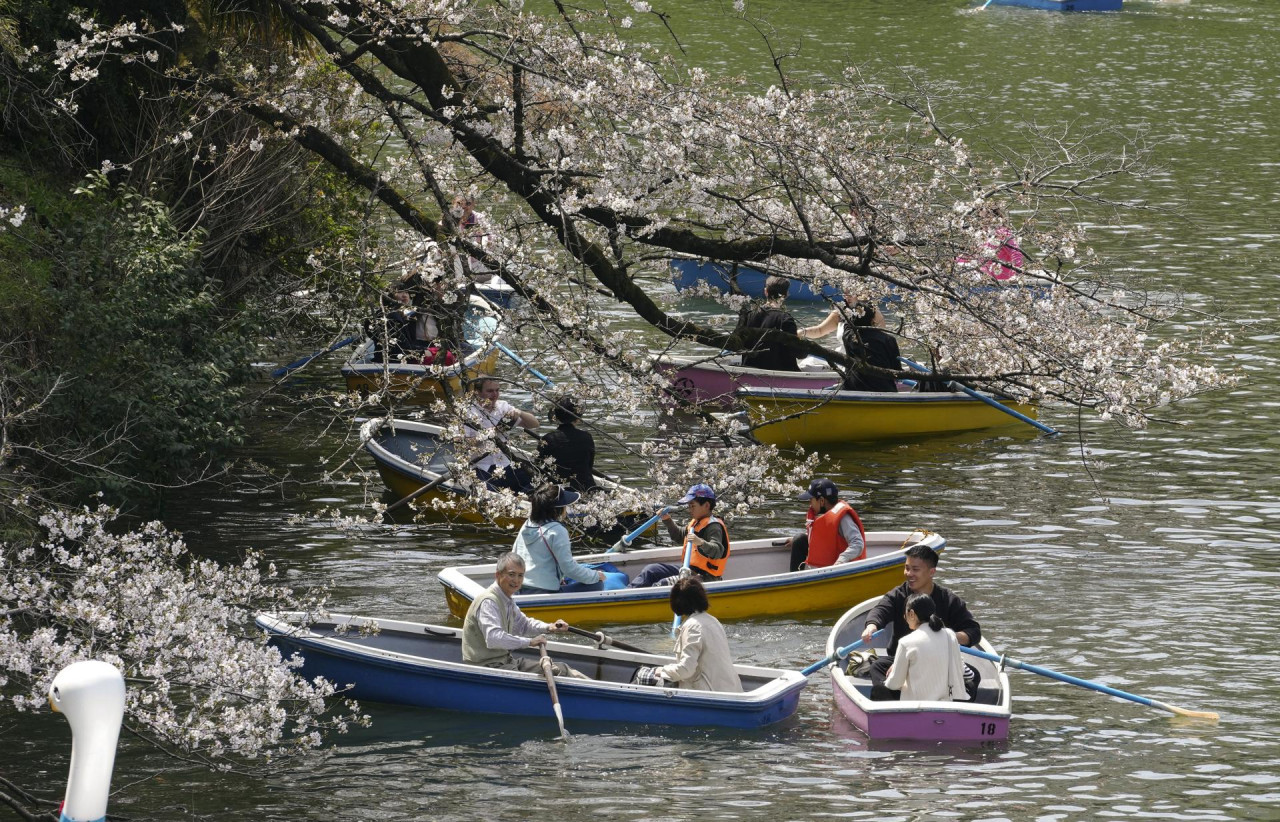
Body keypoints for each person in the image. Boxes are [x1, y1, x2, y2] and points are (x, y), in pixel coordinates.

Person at [859, 544, 981, 701]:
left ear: (931, 572)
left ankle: (957, 710)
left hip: (939, 661)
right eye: (906, 568)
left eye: (915, 569)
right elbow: (881, 610)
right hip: (901, 660)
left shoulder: (948, 599)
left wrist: (945, 638)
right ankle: (894, 706)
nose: (908, 574)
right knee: (877, 667)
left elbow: (973, 631)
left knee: (974, 675)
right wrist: (871, 626)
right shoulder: (898, 594)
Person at [461, 552, 588, 678]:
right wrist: (530, 642)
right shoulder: (489, 602)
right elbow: (494, 638)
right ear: (498, 575)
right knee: (551, 675)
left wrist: (550, 627)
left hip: (506, 662)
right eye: (511, 575)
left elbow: (524, 625)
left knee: (562, 669)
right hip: (486, 668)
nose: (516, 580)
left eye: (520, 575)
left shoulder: (507, 599)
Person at [649, 577, 743, 692]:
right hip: (731, 689)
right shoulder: (713, 620)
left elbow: (686, 669)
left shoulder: (691, 627)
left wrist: (660, 671)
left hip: (711, 694)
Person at [627, 483, 730, 588]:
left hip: (706, 578)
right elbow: (679, 536)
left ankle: (645, 601)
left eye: (693, 506)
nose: (690, 510)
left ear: (707, 505)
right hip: (689, 571)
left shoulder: (714, 526)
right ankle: (627, 593)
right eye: (689, 506)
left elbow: (718, 550)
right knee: (651, 570)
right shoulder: (696, 522)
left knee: (662, 584)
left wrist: (700, 542)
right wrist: (667, 519)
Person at [512, 484, 608, 593]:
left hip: (520, 588)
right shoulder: (557, 531)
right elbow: (569, 569)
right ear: (558, 510)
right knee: (597, 585)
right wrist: (596, 576)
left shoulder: (527, 524)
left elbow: (514, 555)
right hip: (545, 591)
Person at [797, 298, 900, 392]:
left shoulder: (848, 336)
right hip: (845, 360)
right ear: (872, 320)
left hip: (853, 374)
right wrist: (802, 332)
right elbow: (897, 370)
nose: (847, 296)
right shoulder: (890, 340)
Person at [881, 593, 970, 702]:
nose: (904, 617)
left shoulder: (906, 642)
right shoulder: (950, 635)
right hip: (947, 705)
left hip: (917, 708)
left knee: (878, 690)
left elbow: (894, 684)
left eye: (905, 613)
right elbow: (959, 669)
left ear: (912, 614)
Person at [464, 376, 539, 492]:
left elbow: (534, 424)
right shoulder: (468, 412)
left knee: (536, 483)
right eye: (490, 391)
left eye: (497, 390)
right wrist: (493, 432)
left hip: (504, 462)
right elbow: (464, 444)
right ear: (477, 392)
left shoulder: (503, 407)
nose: (495, 394)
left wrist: (520, 412)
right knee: (488, 494)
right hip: (481, 466)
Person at [785, 478, 866, 572]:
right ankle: (796, 581)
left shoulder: (843, 518)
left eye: (811, 499)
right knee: (799, 540)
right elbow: (826, 536)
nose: (810, 503)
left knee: (799, 539)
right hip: (830, 565)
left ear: (822, 501)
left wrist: (841, 561)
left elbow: (858, 544)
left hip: (846, 570)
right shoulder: (826, 516)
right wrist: (796, 540)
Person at [734, 275, 800, 372]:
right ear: (786, 295)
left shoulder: (748, 315)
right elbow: (798, 353)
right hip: (781, 373)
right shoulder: (785, 319)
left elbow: (737, 344)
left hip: (749, 370)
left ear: (766, 291)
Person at [537, 397, 599, 493]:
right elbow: (588, 466)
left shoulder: (547, 439)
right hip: (585, 487)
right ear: (577, 419)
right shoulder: (587, 437)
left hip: (557, 489)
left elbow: (539, 467)